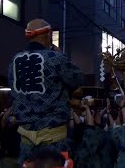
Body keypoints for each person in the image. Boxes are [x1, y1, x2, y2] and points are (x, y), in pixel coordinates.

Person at [7, 19, 83, 165]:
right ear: (48, 34)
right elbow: (77, 79)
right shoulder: (55, 58)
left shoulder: (13, 61)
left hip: (25, 140)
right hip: (55, 138)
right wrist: (62, 56)